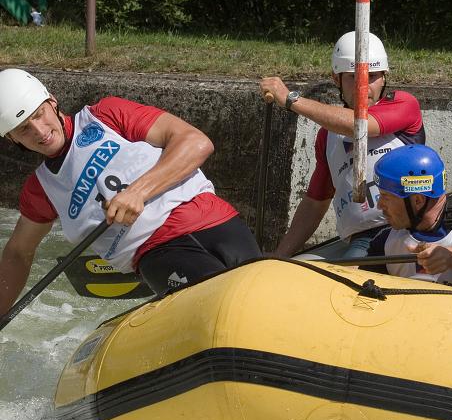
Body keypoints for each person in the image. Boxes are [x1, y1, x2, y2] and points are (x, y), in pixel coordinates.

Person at [0, 68, 261, 306]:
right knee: (223, 307)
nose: (39, 130)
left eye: (39, 114)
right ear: (11, 139)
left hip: (214, 219)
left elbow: (196, 142)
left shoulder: (106, 115)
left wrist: (138, 192)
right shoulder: (40, 189)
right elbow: (18, 252)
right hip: (156, 251)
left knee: (260, 300)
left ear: (52, 101)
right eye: (23, 129)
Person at [260, 31, 425, 259]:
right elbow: (315, 202)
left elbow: (361, 125)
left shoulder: (404, 104)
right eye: (353, 77)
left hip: (410, 227)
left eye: (373, 76)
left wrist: (292, 100)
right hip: (365, 238)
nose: (364, 86)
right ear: (336, 79)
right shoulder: (327, 137)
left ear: (385, 77)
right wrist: (280, 255)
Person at [362, 144, 452, 306]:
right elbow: (357, 278)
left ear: (418, 200)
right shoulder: (387, 239)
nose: (379, 206)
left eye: (385, 197)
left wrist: (451, 257)